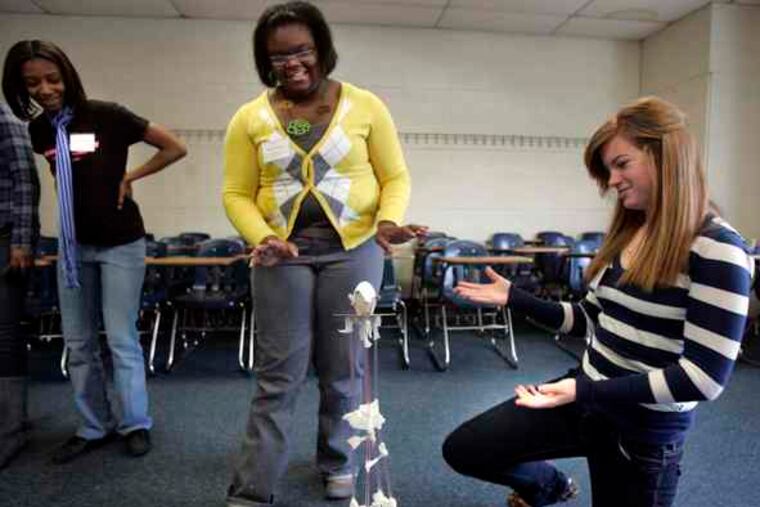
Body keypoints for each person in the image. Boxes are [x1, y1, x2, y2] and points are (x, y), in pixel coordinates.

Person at [442, 96, 754, 507]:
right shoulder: (632, 233)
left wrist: (584, 392)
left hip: (640, 430)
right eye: (608, 171)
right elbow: (590, 319)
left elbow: (703, 379)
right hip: (586, 399)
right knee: (466, 448)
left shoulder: (718, 250)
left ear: (666, 155)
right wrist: (514, 298)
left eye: (621, 164)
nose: (611, 181)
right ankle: (548, 487)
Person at [222, 2, 424, 504]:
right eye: (278, 56)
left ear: (322, 49)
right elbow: (236, 193)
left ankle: (337, 461)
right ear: (263, 61)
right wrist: (260, 236)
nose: (292, 63)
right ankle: (253, 488)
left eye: (302, 50)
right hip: (280, 257)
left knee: (344, 368)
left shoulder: (365, 106)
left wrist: (387, 221)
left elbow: (394, 176)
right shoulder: (250, 118)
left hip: (354, 251)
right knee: (279, 375)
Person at [2, 40, 187, 464]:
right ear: (20, 87)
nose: (45, 89)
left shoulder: (107, 115)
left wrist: (131, 175)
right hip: (72, 248)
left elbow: (175, 146)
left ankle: (135, 423)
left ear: (67, 75)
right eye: (32, 83)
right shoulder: (40, 131)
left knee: (121, 339)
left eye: (52, 78)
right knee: (79, 343)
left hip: (121, 243)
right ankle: (92, 426)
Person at [0, 102, 40, 470]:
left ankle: (11, 429)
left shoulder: (5, 118)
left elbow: (25, 180)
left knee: (5, 334)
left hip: (6, 237)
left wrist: (21, 242)